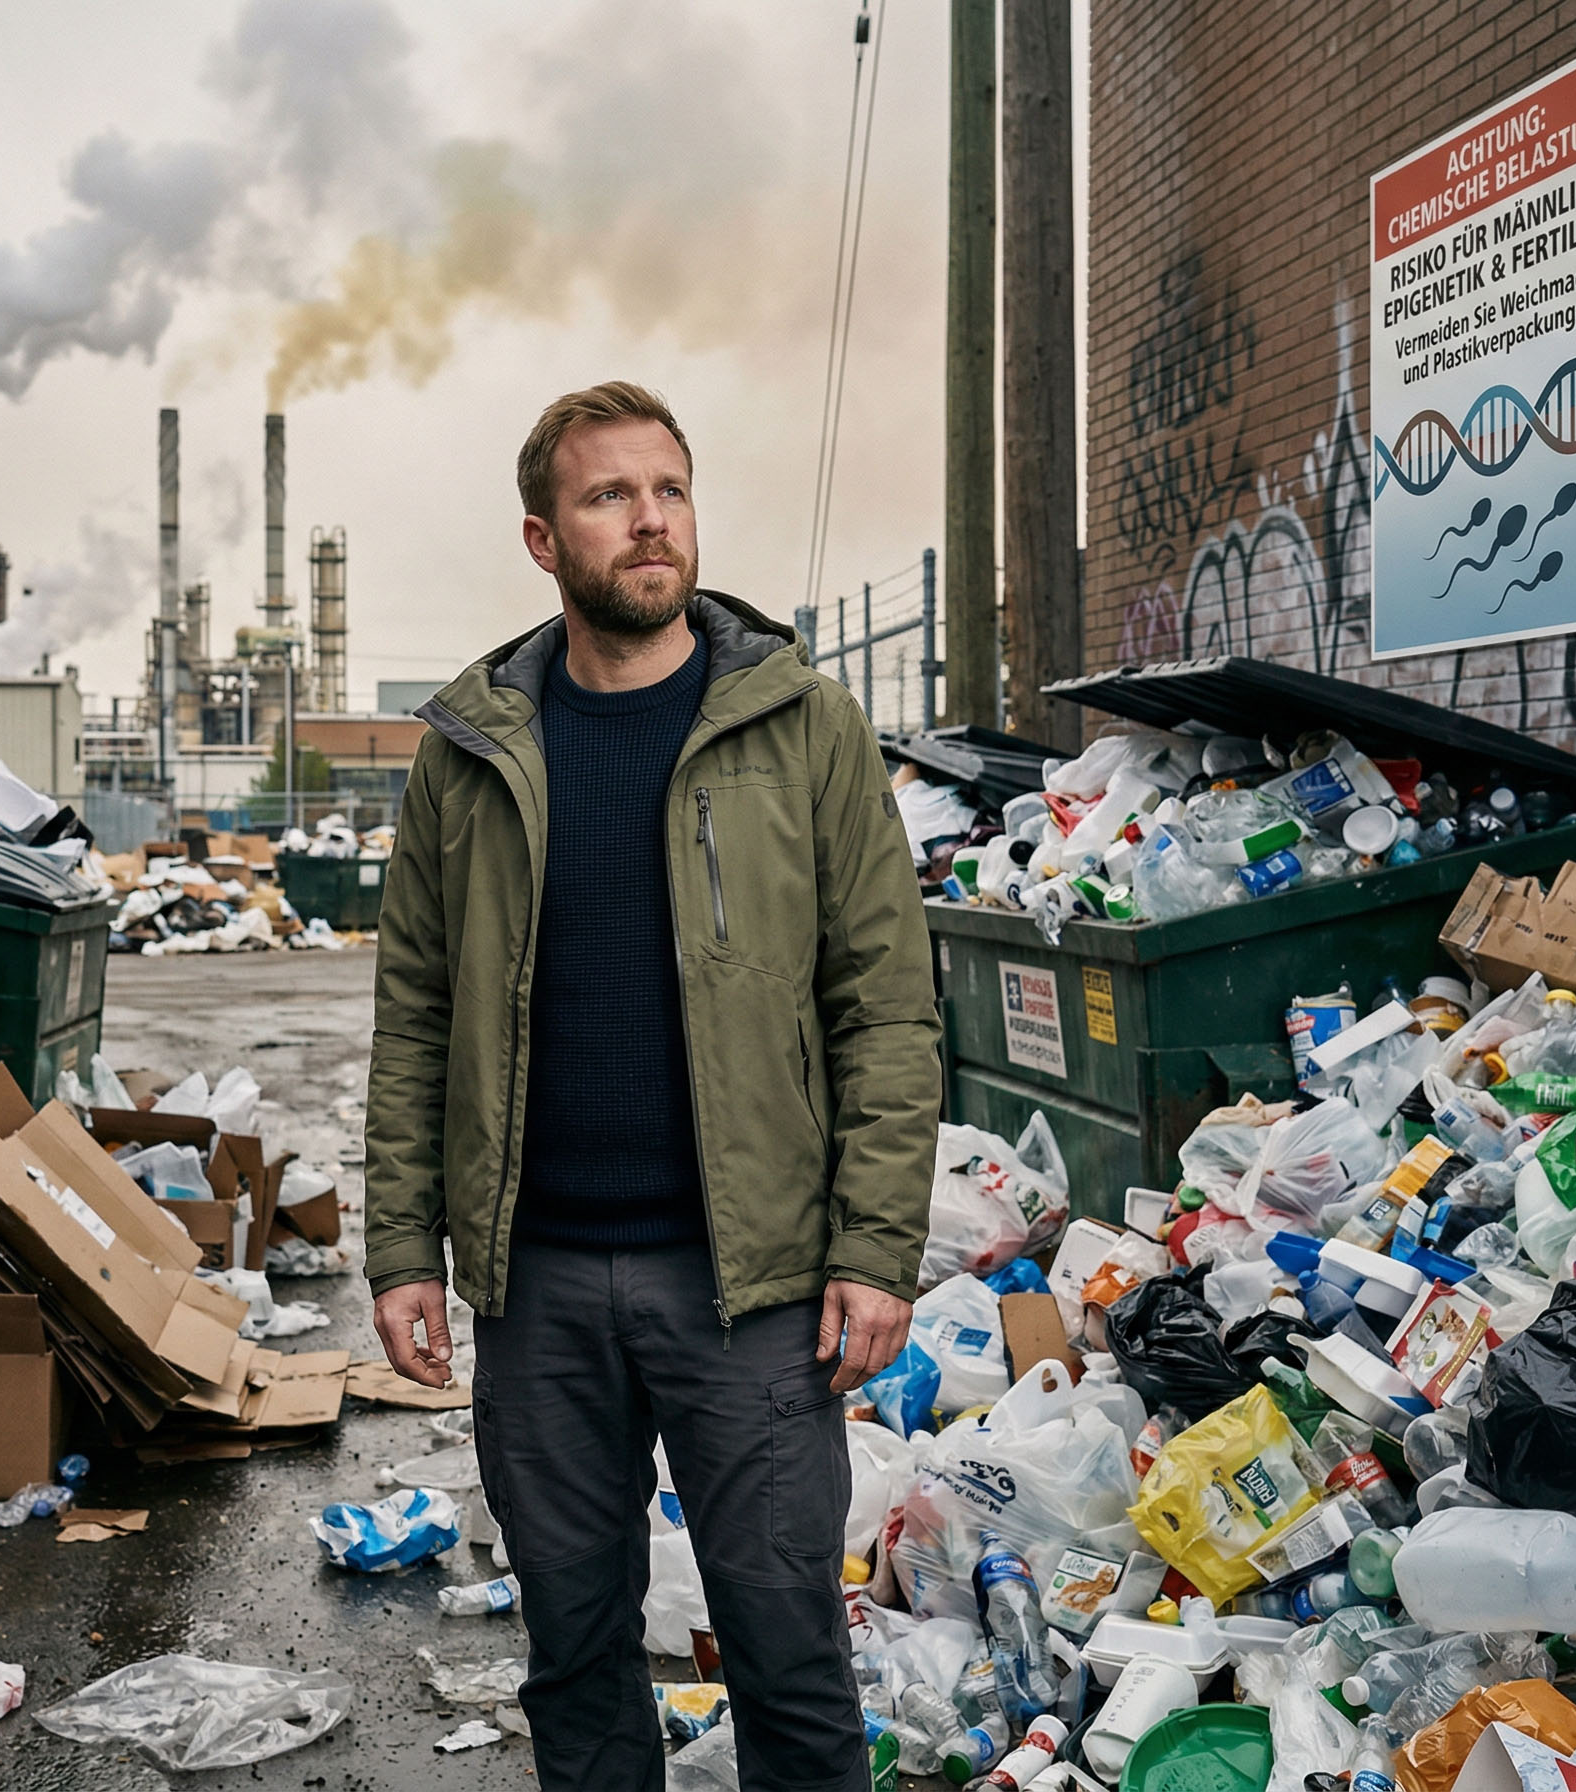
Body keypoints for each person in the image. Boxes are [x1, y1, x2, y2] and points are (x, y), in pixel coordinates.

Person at [365, 380, 940, 1792]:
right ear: (542, 539)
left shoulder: (803, 727)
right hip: (539, 1286)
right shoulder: (470, 754)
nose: (650, 521)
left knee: (787, 1651)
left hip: (749, 1288)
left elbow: (885, 1006)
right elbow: (417, 1015)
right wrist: (401, 1248)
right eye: (609, 496)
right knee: (574, 1656)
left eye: (669, 490)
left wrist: (874, 1248)